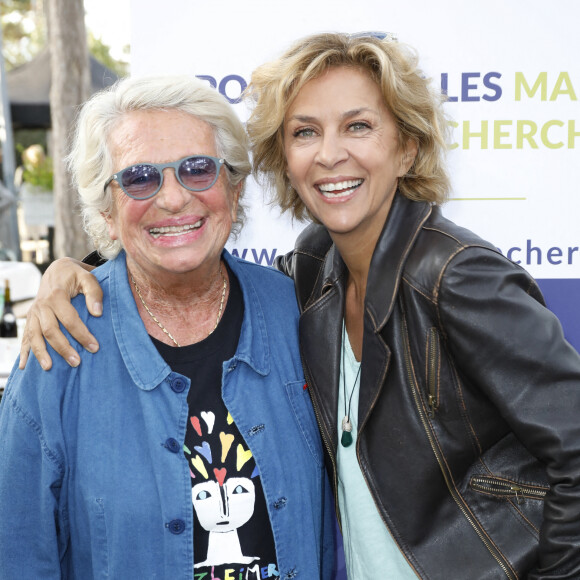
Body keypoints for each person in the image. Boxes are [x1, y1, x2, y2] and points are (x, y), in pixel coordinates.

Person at [17, 33, 580, 579]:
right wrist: (75, 271)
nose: (330, 154)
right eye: (306, 132)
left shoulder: (453, 277)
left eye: (358, 126)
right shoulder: (314, 276)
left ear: (407, 147)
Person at [0, 75, 335, 579]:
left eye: (198, 169)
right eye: (139, 178)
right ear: (107, 212)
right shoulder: (58, 347)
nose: (175, 198)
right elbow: (19, 553)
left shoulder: (299, 312)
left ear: (235, 189)